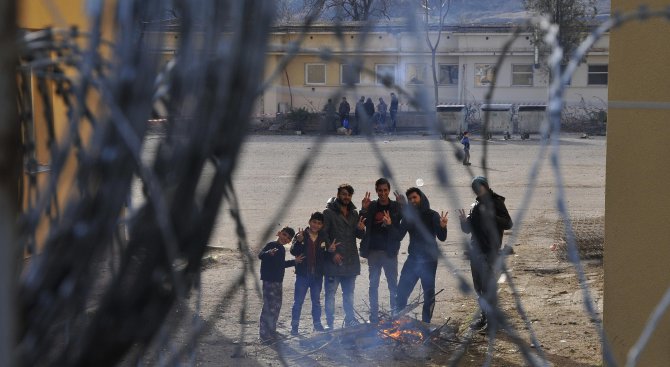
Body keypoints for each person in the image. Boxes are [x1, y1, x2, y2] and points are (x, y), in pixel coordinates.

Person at [458, 176, 513, 333]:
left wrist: (492, 217)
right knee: (479, 287)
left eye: (479, 187)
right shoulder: (475, 204)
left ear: (486, 187)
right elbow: (468, 229)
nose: (477, 190)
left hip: (490, 251)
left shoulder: (495, 202)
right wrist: (463, 220)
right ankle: (485, 317)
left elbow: (508, 223)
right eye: (475, 188)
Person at [394, 187, 448, 323]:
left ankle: (426, 324)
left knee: (429, 294)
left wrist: (443, 226)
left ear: (421, 198)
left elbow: (442, 237)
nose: (412, 201)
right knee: (401, 292)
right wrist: (390, 224)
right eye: (410, 198)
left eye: (414, 198)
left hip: (429, 261)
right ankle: (398, 322)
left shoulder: (432, 215)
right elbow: (399, 236)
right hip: (413, 260)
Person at [359, 178, 403, 324]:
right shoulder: (371, 206)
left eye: (385, 190)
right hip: (373, 252)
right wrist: (363, 209)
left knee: (392, 285)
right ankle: (374, 316)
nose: (383, 193)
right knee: (373, 285)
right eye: (380, 190)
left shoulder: (396, 206)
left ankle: (394, 315)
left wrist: (404, 207)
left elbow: (403, 226)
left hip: (389, 252)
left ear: (389, 191)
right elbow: (361, 221)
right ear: (376, 191)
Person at [323, 184, 366, 328]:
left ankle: (350, 320)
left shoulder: (354, 214)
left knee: (349, 295)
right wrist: (332, 252)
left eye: (349, 195)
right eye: (344, 194)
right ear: (338, 194)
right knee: (330, 296)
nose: (346, 197)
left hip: (350, 262)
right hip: (333, 262)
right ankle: (329, 323)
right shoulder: (328, 213)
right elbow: (324, 234)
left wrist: (361, 229)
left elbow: (359, 235)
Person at [290, 212, 337, 335]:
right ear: (309, 222)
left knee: (316, 301)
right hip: (302, 275)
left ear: (322, 225)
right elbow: (293, 251)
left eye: (319, 223)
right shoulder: (301, 235)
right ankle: (294, 327)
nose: (316, 225)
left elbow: (325, 257)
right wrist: (299, 241)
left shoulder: (323, 237)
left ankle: (317, 324)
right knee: (298, 302)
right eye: (314, 222)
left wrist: (331, 251)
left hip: (317, 276)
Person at [258, 227, 304, 343]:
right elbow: (261, 255)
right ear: (279, 233)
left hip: (278, 281)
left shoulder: (282, 249)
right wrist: (269, 253)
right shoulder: (271, 245)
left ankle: (272, 331)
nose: (285, 238)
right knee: (268, 307)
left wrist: (295, 262)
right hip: (269, 281)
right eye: (284, 235)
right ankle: (264, 335)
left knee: (276, 307)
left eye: (288, 238)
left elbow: (281, 264)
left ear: (289, 241)